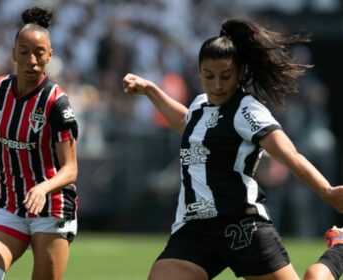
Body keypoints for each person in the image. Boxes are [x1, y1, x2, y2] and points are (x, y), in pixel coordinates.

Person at [123, 18, 343, 280]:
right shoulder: (200, 106)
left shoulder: (247, 111)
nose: (217, 85)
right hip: (194, 230)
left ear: (239, 73)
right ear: (199, 72)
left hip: (242, 227)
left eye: (225, 76)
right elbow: (187, 123)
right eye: (209, 76)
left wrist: (327, 191)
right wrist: (150, 90)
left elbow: (290, 155)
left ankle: (339, 249)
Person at [0, 6, 79, 280]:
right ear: (13, 54)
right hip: (11, 205)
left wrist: (42, 188)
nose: (32, 60)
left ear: (50, 55)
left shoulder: (57, 103)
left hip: (52, 207)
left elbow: (71, 169)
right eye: (24, 52)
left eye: (39, 53)